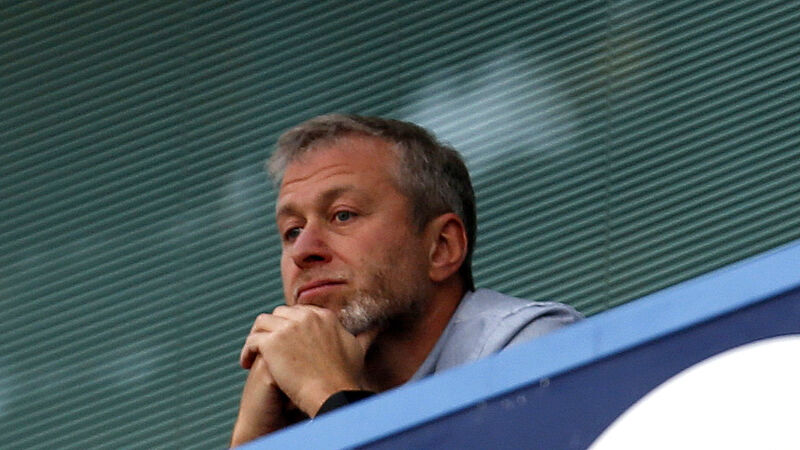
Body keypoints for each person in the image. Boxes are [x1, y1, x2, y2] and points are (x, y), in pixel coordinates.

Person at [229, 114, 582, 446]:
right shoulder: (300, 411)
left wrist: (329, 395)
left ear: (441, 247)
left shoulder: (534, 348)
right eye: (292, 231)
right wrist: (253, 438)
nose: (303, 251)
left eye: (343, 215)